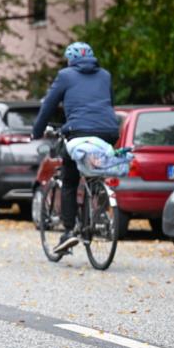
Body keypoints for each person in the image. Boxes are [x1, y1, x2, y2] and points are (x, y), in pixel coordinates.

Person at [32, 41, 119, 254]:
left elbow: (48, 106)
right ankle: (97, 207)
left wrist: (36, 131)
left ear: (70, 60)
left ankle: (69, 231)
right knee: (93, 173)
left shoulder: (65, 75)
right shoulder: (105, 75)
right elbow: (110, 103)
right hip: (108, 132)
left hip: (78, 132)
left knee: (70, 180)